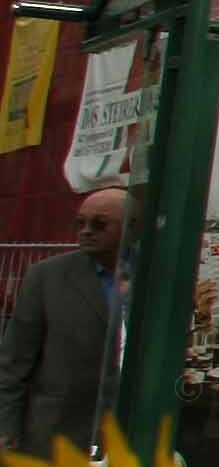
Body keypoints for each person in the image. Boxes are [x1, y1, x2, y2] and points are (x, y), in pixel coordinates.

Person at [0, 188, 128, 453]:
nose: (86, 231)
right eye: (79, 223)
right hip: (57, 437)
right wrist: (6, 429)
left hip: (130, 437)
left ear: (132, 227)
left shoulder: (158, 276)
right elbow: (14, 363)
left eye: (99, 224)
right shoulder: (46, 277)